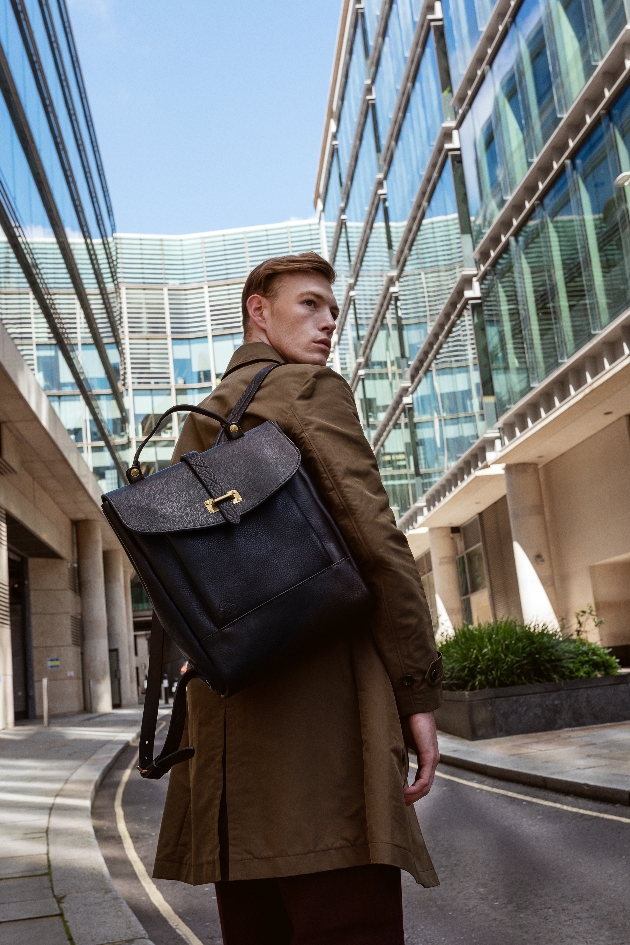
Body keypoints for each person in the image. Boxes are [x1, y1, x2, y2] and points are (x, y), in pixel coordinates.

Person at [153, 252, 443, 945]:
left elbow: (174, 579)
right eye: (309, 304)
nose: (328, 323)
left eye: (333, 309)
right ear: (260, 309)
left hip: (228, 741)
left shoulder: (201, 420)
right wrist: (417, 690)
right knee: (348, 920)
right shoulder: (307, 390)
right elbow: (377, 542)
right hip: (325, 724)